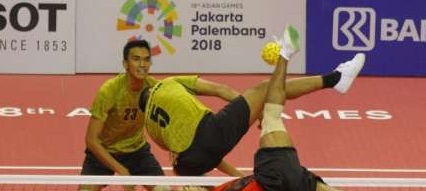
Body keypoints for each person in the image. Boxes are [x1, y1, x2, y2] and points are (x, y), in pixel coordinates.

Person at [98, 25, 402, 191]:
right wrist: (247, 111)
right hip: (254, 166)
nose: (189, 189)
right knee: (266, 99)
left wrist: (190, 173)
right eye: (187, 190)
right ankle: (312, 68)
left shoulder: (155, 132)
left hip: (251, 183)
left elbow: (195, 163)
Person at [48, 40, 200, 191]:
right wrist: (124, 172)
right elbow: (91, 140)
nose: (142, 64)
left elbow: (168, 120)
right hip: (103, 154)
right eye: (136, 59)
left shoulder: (155, 89)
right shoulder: (110, 90)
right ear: (125, 64)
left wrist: (174, 144)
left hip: (138, 153)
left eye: (146, 59)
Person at [138, 25, 366, 178]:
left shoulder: (150, 127)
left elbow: (206, 153)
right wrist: (255, 110)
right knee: (266, 89)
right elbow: (220, 89)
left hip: (189, 165)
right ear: (151, 88)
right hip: (209, 134)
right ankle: (334, 79)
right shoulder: (168, 83)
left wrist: (239, 177)